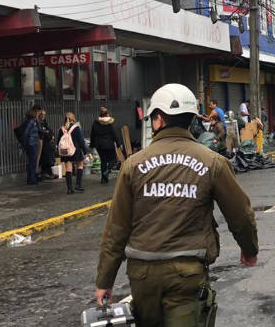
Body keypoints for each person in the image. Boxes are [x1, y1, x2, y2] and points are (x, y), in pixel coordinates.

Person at [95, 83, 258, 326]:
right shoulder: (212, 162)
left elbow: (116, 229)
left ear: (159, 119)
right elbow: (240, 214)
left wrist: (104, 281)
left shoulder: (133, 165)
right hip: (188, 274)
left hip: (142, 275)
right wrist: (249, 249)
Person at [57, 112, 89, 194]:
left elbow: (58, 142)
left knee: (68, 168)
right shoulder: (76, 128)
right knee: (80, 165)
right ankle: (78, 184)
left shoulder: (62, 129)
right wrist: (85, 152)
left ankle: (69, 189)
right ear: (73, 119)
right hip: (76, 151)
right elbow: (81, 141)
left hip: (65, 151)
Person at [90, 107, 120, 185]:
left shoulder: (96, 122)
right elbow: (114, 134)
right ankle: (108, 171)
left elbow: (92, 134)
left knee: (103, 161)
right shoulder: (109, 123)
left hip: (99, 146)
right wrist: (118, 143)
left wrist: (92, 144)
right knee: (114, 159)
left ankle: (104, 179)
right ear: (107, 114)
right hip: (109, 145)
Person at [20, 107, 40, 185]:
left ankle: (31, 178)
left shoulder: (32, 122)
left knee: (32, 161)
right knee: (32, 161)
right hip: (31, 143)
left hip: (32, 143)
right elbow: (26, 132)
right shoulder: (32, 122)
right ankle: (31, 179)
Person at [37, 109, 56, 180]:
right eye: (42, 114)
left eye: (44, 114)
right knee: (45, 156)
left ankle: (48, 172)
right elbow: (43, 132)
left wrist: (51, 134)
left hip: (47, 142)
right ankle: (45, 172)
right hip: (42, 142)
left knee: (49, 154)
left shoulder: (44, 122)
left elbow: (49, 130)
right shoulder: (38, 123)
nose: (43, 116)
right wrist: (48, 133)